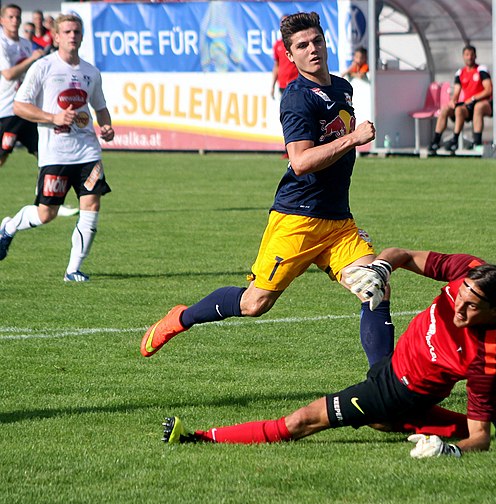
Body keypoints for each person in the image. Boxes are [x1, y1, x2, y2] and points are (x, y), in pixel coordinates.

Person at [139, 12, 394, 372]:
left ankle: (385, 386)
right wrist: (353, 139)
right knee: (254, 303)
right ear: (290, 56)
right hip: (298, 219)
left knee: (376, 287)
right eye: (302, 46)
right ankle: (181, 317)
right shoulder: (297, 99)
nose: (312, 49)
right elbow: (301, 161)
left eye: (316, 41)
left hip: (338, 222)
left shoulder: (342, 88)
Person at [161, 245, 496, 458]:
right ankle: (455, 422)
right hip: (392, 365)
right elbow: (403, 255)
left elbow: (480, 441)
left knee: (302, 421)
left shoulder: (488, 354)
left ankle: (199, 437)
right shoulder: (470, 271)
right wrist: (381, 267)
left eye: (472, 307)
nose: (459, 310)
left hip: (397, 392)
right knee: (380, 420)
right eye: (459, 298)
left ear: (495, 310)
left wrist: (452, 451)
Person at [0, 13, 114, 278]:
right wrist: (54, 118)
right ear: (56, 36)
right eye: (67, 32)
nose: (72, 36)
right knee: (46, 214)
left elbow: (100, 106)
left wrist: (106, 126)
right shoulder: (43, 67)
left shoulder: (90, 72)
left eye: (76, 31)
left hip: (87, 151)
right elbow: (19, 106)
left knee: (92, 205)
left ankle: (73, 270)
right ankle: (9, 227)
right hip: (55, 153)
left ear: (82, 36)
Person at [0, 4, 44, 167]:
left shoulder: (25, 44)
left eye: (17, 17)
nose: (15, 21)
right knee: (2, 155)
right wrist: (32, 59)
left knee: (44, 152)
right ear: (2, 20)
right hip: (7, 110)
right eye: (10, 17)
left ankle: (43, 190)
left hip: (26, 108)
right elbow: (9, 74)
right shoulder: (2, 44)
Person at [428, 45, 492, 153]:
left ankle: (472, 142)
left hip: (481, 103)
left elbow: (489, 89)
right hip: (467, 105)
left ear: (475, 56)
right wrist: (453, 101)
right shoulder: (460, 73)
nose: (469, 57)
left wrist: (473, 98)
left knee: (477, 107)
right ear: (463, 56)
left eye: (471, 55)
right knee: (445, 109)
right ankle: (435, 141)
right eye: (467, 55)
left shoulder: (481, 69)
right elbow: (457, 92)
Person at [270, 19, 299, 98]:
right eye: (283, 24)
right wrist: (273, 86)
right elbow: (276, 65)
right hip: (282, 85)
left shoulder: (297, 42)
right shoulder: (277, 44)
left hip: (296, 83)